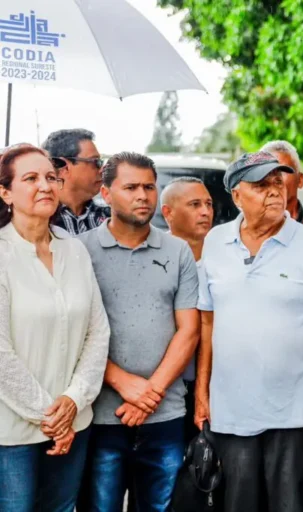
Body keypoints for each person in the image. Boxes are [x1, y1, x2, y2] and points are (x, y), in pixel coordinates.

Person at [196, 151, 303, 512]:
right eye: (261, 185)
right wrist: (202, 391)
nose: (275, 192)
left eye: (278, 183)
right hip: (231, 414)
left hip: (297, 416)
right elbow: (207, 322)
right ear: (236, 196)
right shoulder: (216, 243)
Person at [79, 152, 200, 511]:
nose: (143, 195)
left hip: (165, 413)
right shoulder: (79, 252)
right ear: (105, 192)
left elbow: (189, 331)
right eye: (131, 187)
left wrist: (151, 392)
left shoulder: (178, 252)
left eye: (149, 186)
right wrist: (123, 383)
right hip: (101, 414)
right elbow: (75, 334)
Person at [0, 144, 110, 511]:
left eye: (50, 177)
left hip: (74, 422)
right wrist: (51, 416)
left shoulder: (75, 251)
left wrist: (74, 400)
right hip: (12, 431)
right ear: (5, 192)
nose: (45, 185)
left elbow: (98, 333)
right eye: (30, 178)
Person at [160, 177, 214, 444]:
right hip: (164, 386)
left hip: (215, 385)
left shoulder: (225, 256)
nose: (205, 212)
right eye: (195, 204)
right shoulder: (153, 256)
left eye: (208, 204)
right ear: (167, 213)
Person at [42, 129, 110, 236]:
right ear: (64, 167)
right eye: (95, 162)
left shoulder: (109, 218)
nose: (102, 169)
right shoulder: (39, 219)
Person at [261, 140, 303, 223]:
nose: (273, 179)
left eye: (282, 171)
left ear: (300, 180)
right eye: (266, 172)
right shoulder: (247, 228)